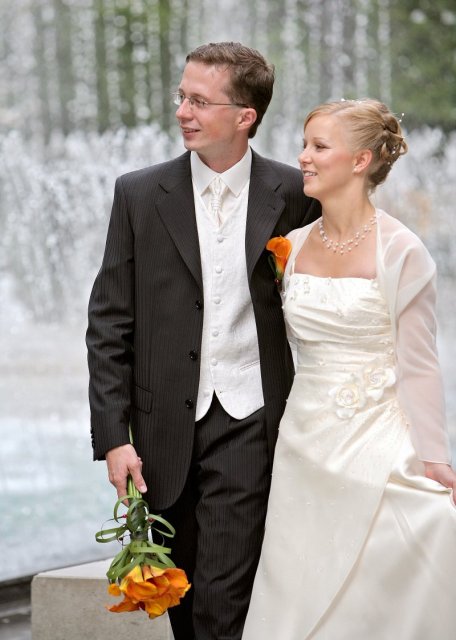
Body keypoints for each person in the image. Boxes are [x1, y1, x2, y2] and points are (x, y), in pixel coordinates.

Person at [86, 42, 320, 640]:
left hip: (251, 420)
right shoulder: (138, 194)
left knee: (222, 599)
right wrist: (113, 437)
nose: (182, 112)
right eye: (181, 96)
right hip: (162, 425)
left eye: (199, 100)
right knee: (185, 601)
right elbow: (109, 321)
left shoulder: (295, 193)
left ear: (245, 116)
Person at [242, 99, 456, 640]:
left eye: (319, 146)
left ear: (361, 161)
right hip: (303, 443)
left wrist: (435, 458)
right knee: (297, 586)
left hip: (378, 436)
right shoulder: (290, 247)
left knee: (426, 531)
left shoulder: (402, 250)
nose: (303, 157)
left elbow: (420, 364)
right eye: (304, 144)